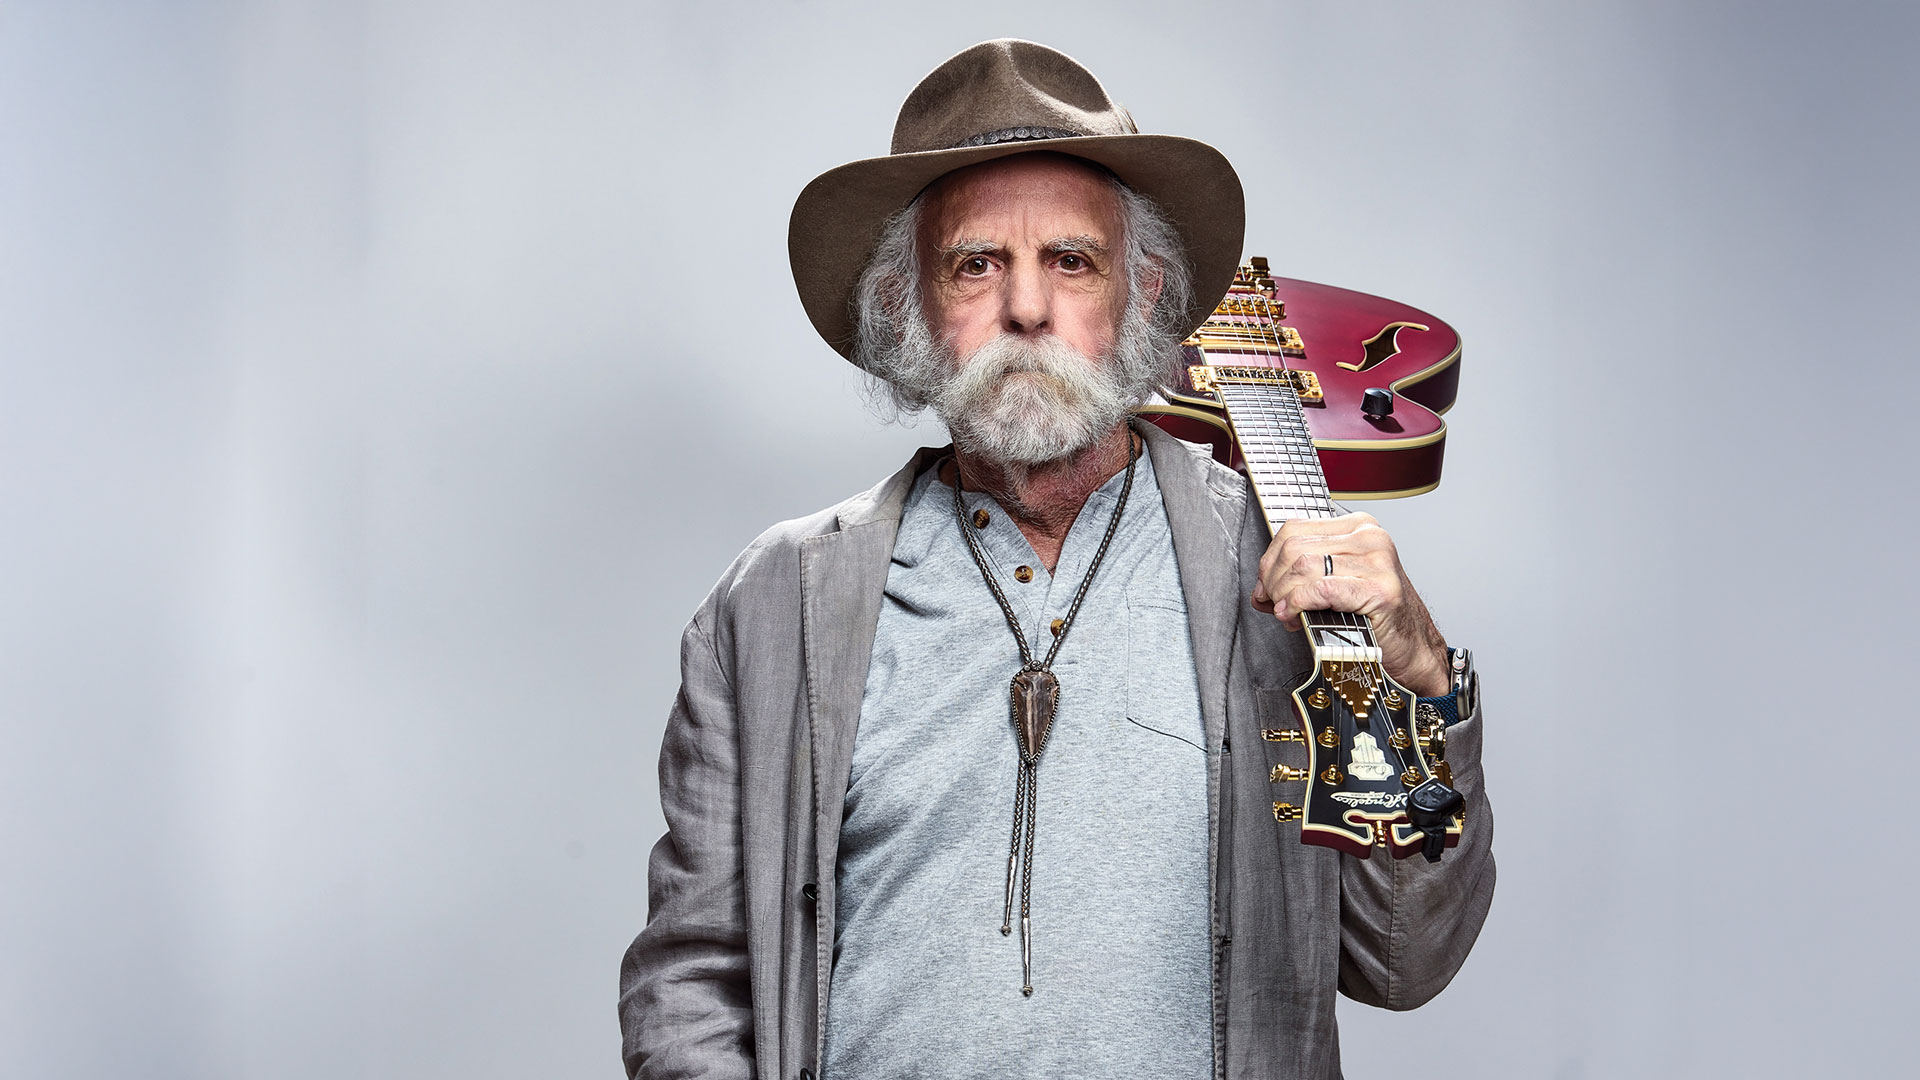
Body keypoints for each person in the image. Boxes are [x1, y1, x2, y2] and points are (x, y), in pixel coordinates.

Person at [619, 39, 1494, 1080]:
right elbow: (691, 978)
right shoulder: (775, 603)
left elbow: (1402, 955)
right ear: (906, 309)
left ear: (1144, 293)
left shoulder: (1282, 571)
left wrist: (1422, 680)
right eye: (976, 263)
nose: (1026, 309)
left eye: (1070, 262)